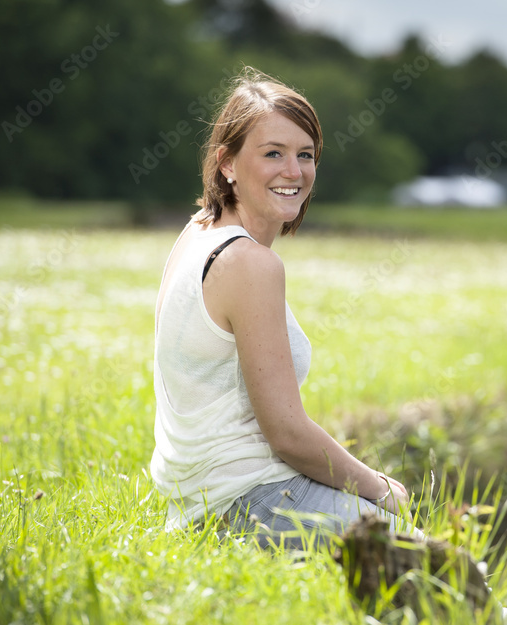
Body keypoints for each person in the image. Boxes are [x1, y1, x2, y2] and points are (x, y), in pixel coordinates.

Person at [149, 67, 411, 550]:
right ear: (227, 163)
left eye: (305, 155)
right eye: (273, 154)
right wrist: (382, 487)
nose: (294, 172)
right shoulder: (250, 263)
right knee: (416, 554)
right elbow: (287, 434)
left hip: (203, 500)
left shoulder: (198, 232)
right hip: (246, 502)